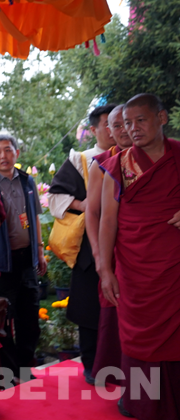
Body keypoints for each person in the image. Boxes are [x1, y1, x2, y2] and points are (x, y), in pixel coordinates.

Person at [99, 94, 180, 420]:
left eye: (140, 120)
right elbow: (108, 220)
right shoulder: (119, 165)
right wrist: (105, 269)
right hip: (135, 270)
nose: (132, 128)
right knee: (139, 336)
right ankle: (142, 404)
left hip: (174, 267)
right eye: (127, 123)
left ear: (162, 118)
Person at [46, 104, 116, 385]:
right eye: (107, 124)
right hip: (90, 247)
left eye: (119, 123)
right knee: (90, 310)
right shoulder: (82, 160)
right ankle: (92, 364)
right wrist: (84, 204)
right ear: (94, 129)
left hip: (128, 246)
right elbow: (54, 197)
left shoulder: (133, 156)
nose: (113, 129)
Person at [0, 134, 47, 379]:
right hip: (1, 262)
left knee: (29, 316)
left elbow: (35, 217)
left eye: (8, 150)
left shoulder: (27, 181)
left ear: (17, 153)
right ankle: (10, 372)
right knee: (2, 319)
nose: (4, 156)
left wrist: (39, 250)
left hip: (26, 260)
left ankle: (25, 367)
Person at [85, 105, 132, 386]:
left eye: (127, 123)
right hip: (114, 247)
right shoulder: (102, 163)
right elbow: (92, 213)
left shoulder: (160, 156)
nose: (123, 130)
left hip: (153, 248)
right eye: (116, 125)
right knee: (116, 309)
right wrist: (99, 254)